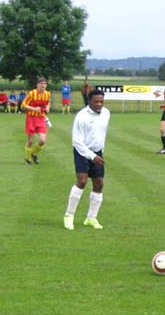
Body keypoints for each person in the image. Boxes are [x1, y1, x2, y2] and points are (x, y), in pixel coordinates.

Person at [63, 89, 111, 231]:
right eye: (96, 101)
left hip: (97, 153)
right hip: (82, 152)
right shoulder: (81, 117)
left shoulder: (106, 113)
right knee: (82, 181)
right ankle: (69, 216)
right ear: (89, 101)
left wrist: (99, 153)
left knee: (99, 183)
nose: (99, 104)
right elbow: (77, 142)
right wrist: (92, 156)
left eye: (101, 101)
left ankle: (91, 218)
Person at [21, 77, 51, 164]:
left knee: (42, 140)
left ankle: (33, 153)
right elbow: (23, 105)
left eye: (44, 84)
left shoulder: (47, 94)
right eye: (41, 83)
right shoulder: (31, 93)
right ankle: (27, 158)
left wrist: (48, 108)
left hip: (41, 118)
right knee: (30, 141)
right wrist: (33, 109)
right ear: (37, 85)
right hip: (31, 118)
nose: (43, 85)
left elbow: (48, 102)